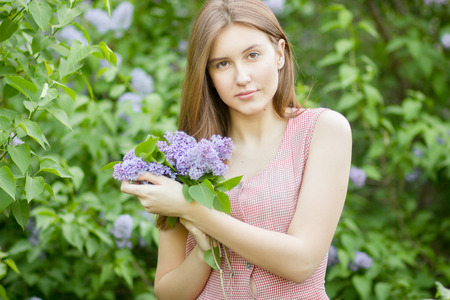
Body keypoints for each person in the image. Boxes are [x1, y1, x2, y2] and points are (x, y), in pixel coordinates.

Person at [120, 0, 352, 299]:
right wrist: (206, 251)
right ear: (208, 75)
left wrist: (192, 209)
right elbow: (168, 294)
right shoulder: (187, 156)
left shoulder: (322, 130)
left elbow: (302, 261)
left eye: (252, 55)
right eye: (222, 63)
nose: (241, 77)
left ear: (280, 54)